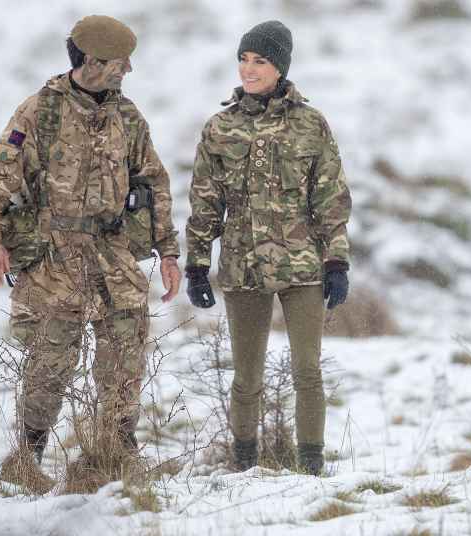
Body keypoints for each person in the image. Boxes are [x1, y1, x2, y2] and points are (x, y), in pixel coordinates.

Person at [0, 15, 181, 484]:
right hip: (52, 257)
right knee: (49, 362)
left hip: (113, 255)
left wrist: (168, 252)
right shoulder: (38, 112)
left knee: (125, 357)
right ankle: (27, 457)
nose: (126, 72)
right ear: (89, 60)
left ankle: (117, 453)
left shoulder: (128, 117)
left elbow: (154, 184)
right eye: (119, 64)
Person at [185, 20, 351, 476]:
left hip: (303, 266)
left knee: (307, 372)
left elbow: (331, 198)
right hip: (243, 268)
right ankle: (244, 464)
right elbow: (204, 201)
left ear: (279, 67)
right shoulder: (219, 128)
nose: (248, 69)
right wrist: (197, 264)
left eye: (259, 61)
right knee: (246, 378)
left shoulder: (310, 124)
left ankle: (311, 467)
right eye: (243, 59)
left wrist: (337, 260)